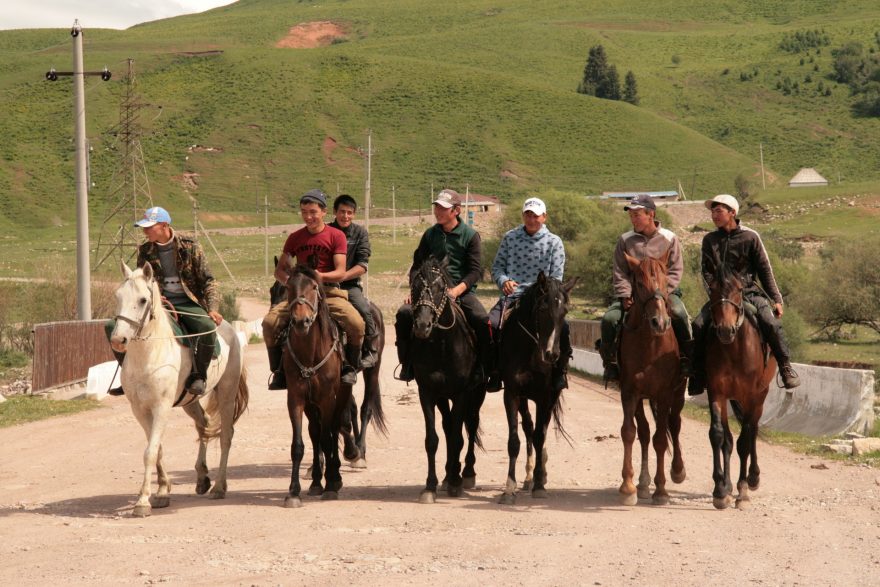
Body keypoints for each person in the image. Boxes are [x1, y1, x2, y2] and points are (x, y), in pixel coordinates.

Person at [688, 194, 800, 395]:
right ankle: (697, 374)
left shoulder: (750, 237)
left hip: (750, 294)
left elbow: (765, 269)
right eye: (713, 211)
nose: (714, 215)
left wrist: (776, 299)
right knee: (698, 325)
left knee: (771, 323)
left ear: (732, 212)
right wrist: (716, 293)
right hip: (721, 298)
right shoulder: (709, 240)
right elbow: (706, 272)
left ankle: (785, 367)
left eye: (718, 211)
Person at [106, 206, 222, 396]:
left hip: (188, 302)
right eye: (144, 227)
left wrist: (213, 308)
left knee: (207, 328)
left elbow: (209, 281)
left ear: (164, 225)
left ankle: (199, 376)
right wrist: (151, 297)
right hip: (156, 304)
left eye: (149, 227)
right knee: (111, 327)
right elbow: (141, 283)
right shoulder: (145, 250)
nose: (145, 231)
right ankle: (128, 374)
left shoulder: (191, 246)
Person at [263, 189, 365, 388]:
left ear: (324, 212)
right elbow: (279, 270)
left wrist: (318, 277)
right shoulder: (295, 238)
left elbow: (340, 272)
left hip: (329, 292)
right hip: (300, 294)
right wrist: (291, 282)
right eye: (304, 212)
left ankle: (350, 368)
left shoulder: (336, 236)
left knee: (356, 324)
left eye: (312, 212)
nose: (308, 217)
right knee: (269, 323)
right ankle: (278, 371)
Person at [395, 189, 491, 383]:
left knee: (482, 320)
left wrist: (456, 290)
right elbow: (417, 267)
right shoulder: (430, 234)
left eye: (443, 208)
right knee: (403, 314)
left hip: (461, 291)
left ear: (456, 210)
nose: (438, 211)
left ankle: (485, 368)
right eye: (437, 207)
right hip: (429, 292)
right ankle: (407, 364)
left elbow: (475, 271)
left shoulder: (470, 236)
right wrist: (415, 292)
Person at [599, 194, 694, 382]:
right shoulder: (625, 240)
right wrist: (625, 294)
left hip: (664, 293)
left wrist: (661, 292)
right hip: (633, 295)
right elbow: (620, 271)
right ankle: (610, 363)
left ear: (651, 214)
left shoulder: (669, 238)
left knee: (680, 314)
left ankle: (687, 359)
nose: (633, 219)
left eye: (637, 215)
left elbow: (675, 270)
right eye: (631, 215)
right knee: (609, 319)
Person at [489, 197, 570, 392]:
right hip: (513, 295)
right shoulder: (510, 237)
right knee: (491, 323)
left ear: (544, 217)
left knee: (564, 328)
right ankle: (494, 370)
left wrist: (542, 292)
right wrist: (504, 281)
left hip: (543, 299)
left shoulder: (554, 242)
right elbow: (497, 267)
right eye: (528, 215)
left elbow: (556, 277)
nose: (531, 219)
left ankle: (560, 372)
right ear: (523, 216)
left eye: (535, 216)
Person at [328, 194, 379, 369]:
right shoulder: (326, 231)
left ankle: (371, 349)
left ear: (354, 214)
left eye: (349, 212)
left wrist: (341, 276)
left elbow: (362, 265)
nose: (345, 216)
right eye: (342, 212)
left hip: (349, 285)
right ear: (335, 212)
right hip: (325, 285)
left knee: (364, 310)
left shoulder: (360, 233)